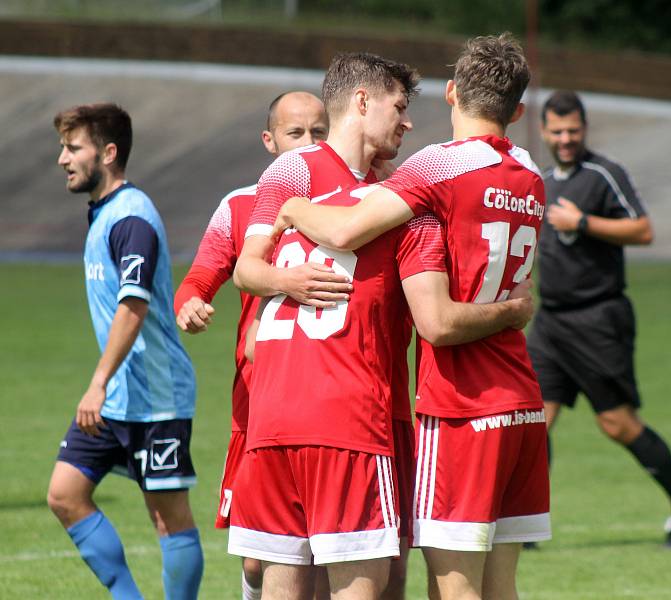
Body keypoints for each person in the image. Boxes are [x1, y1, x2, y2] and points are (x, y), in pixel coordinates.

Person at [231, 51, 535, 600]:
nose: (408, 121)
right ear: (364, 102)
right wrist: (287, 281)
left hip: (356, 404)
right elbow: (246, 268)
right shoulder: (308, 172)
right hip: (350, 412)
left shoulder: (394, 189)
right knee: (341, 574)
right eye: (399, 106)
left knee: (378, 570)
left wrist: (290, 241)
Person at [526, 89, 671, 549]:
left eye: (573, 131)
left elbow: (643, 230)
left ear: (584, 129)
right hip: (550, 323)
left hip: (597, 319)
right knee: (532, 419)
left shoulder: (604, 175)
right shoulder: (542, 179)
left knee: (618, 425)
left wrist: (584, 223)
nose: (566, 139)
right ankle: (525, 522)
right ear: (545, 132)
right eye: (557, 131)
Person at [173, 90, 335, 600]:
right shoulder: (242, 205)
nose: (309, 143)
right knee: (259, 558)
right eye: (296, 133)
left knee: (330, 554)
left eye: (319, 132)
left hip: (334, 400)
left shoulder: (355, 202)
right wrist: (189, 303)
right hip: (260, 405)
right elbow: (200, 278)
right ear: (269, 141)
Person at [46, 103, 203, 599]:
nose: (62, 159)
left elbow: (132, 307)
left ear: (108, 153)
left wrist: (97, 381)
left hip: (155, 395)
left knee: (168, 518)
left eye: (74, 148)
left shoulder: (132, 218)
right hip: (118, 398)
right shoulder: (105, 214)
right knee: (65, 495)